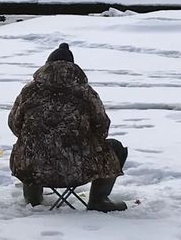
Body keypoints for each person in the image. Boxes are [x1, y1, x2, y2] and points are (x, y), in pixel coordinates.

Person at [8, 42, 128, 212]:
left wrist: (38, 137)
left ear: (47, 65)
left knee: (27, 148)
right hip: (79, 168)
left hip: (34, 168)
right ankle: (98, 200)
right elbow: (102, 128)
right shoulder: (86, 92)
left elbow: (14, 125)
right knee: (115, 147)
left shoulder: (29, 91)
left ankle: (32, 199)